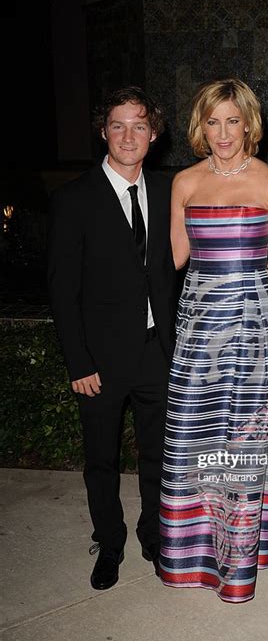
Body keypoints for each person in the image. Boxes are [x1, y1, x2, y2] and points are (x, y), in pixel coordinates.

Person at [158, 77, 268, 603]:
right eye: (212, 121)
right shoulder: (185, 183)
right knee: (196, 430)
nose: (222, 132)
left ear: (248, 124)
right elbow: (168, 263)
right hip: (198, 328)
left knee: (245, 438)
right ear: (200, 125)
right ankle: (192, 551)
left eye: (232, 120)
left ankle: (244, 555)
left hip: (254, 333)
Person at [48, 86, 177, 590]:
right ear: (104, 131)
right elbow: (62, 290)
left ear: (153, 134)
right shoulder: (73, 199)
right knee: (101, 457)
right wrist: (78, 361)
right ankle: (111, 541)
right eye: (118, 125)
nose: (129, 136)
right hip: (98, 357)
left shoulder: (169, 191)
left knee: (156, 452)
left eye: (140, 126)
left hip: (157, 350)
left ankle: (152, 534)